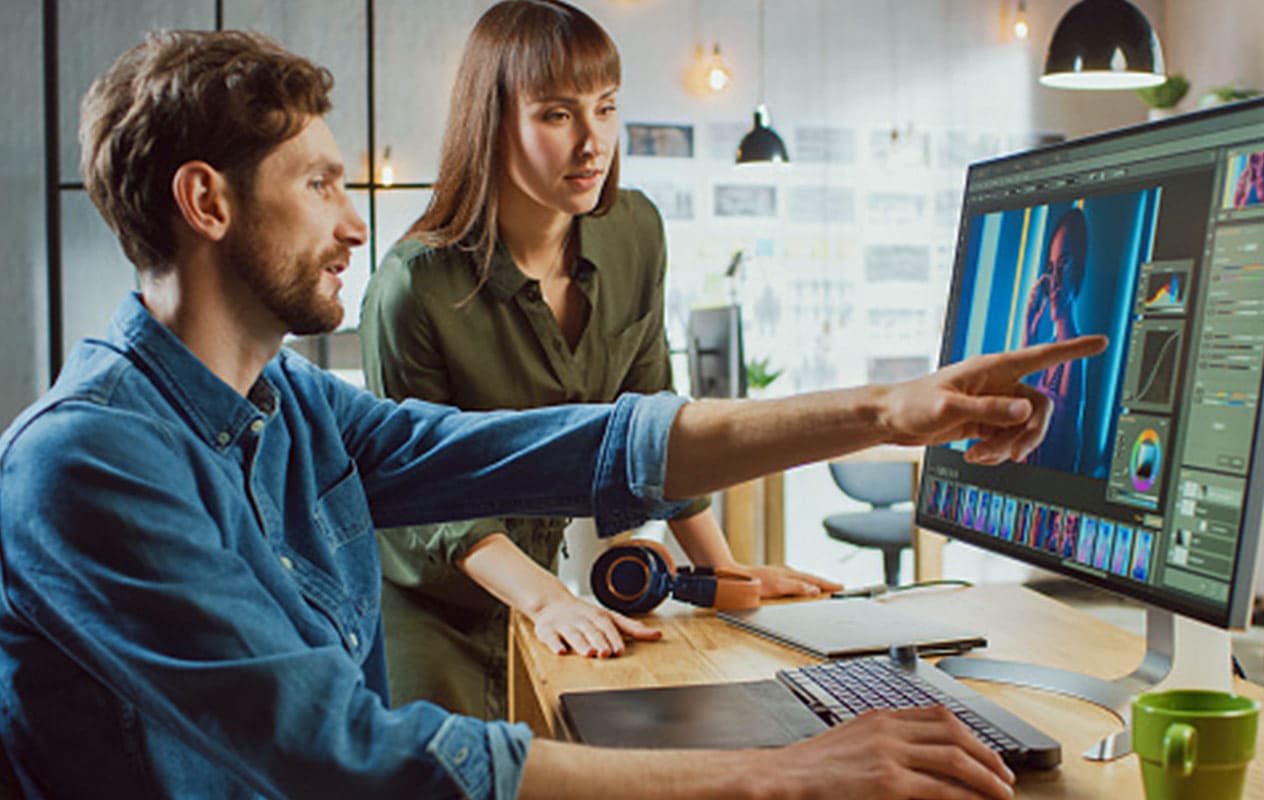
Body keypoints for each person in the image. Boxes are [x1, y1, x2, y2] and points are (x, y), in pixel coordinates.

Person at [0, 28, 1106, 800]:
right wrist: (781, 773)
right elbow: (338, 755)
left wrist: (888, 409)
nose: (354, 223)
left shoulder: (286, 404)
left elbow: (575, 443)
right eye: (320, 184)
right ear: (207, 201)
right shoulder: (91, 460)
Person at [358, 0, 838, 719]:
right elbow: (424, 495)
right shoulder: (414, 285)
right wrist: (546, 599)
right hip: (431, 609)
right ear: (492, 122)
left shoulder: (633, 232)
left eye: (606, 108)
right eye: (557, 115)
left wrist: (724, 575)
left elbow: (657, 424)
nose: (593, 143)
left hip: (550, 598)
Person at [1021, 207, 1090, 473]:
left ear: (1079, 268)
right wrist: (1028, 334)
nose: (1055, 279)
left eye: (1064, 264)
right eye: (1051, 268)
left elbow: (1052, 440)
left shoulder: (1075, 353)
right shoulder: (1049, 348)